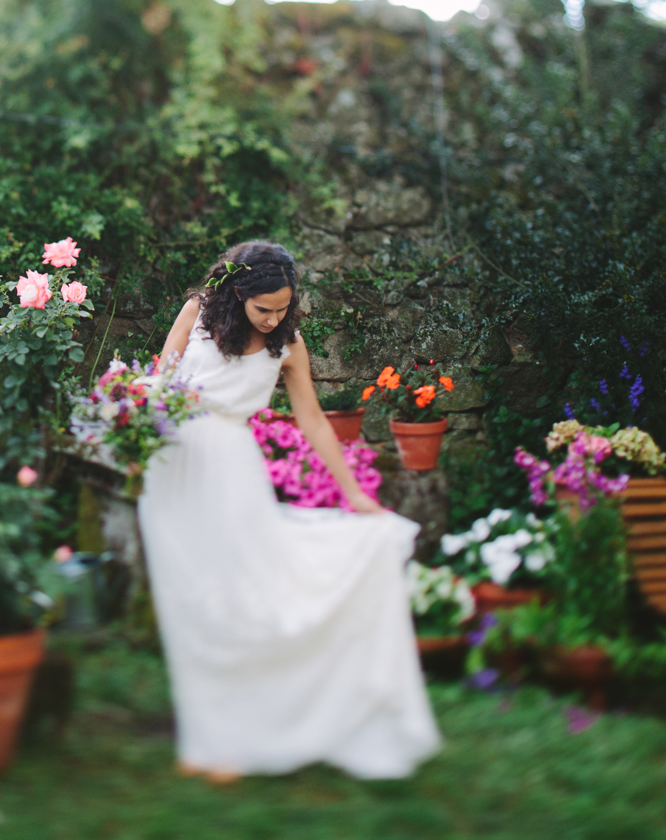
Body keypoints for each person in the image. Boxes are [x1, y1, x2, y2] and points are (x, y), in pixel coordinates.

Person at [138, 239, 440, 782]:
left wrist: (354, 494)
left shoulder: (289, 346)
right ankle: (206, 736)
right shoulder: (198, 315)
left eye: (283, 307)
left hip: (231, 471)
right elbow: (160, 384)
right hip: (173, 468)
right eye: (263, 309)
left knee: (238, 597)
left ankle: (241, 735)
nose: (275, 318)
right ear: (237, 294)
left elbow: (315, 424)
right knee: (191, 601)